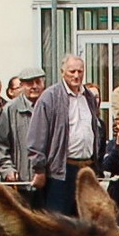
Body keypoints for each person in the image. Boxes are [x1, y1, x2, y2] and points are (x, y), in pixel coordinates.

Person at [28, 55, 105, 218]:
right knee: (58, 223)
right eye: (72, 71)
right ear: (62, 72)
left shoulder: (89, 97)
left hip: (87, 169)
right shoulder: (49, 98)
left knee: (85, 222)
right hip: (61, 171)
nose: (76, 75)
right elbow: (37, 136)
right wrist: (39, 169)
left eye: (80, 71)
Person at [0, 65, 46, 186]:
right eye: (30, 83)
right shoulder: (9, 110)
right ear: (22, 85)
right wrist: (7, 169)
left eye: (38, 82)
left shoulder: (51, 107)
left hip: (48, 181)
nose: (34, 86)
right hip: (19, 182)